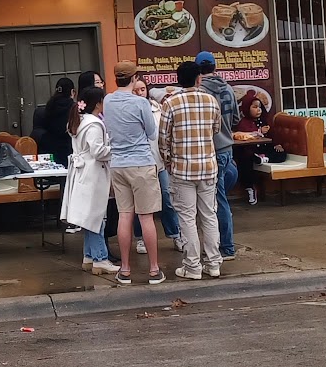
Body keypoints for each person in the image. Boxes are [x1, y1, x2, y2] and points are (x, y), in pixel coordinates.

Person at [158, 60, 223, 281]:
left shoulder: (170, 103)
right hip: (207, 167)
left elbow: (163, 138)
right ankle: (214, 263)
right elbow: (216, 129)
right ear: (199, 78)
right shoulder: (210, 100)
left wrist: (168, 161)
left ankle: (192, 266)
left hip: (182, 169)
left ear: (178, 79)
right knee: (209, 215)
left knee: (187, 218)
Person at [105, 65, 169, 284]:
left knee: (125, 215)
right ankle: (153, 269)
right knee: (146, 217)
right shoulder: (141, 103)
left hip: (118, 163)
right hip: (141, 163)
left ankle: (124, 269)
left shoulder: (107, 101)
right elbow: (152, 133)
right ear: (133, 78)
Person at [63, 85, 118, 274]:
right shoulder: (94, 124)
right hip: (93, 173)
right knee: (96, 216)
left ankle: (89, 255)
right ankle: (100, 258)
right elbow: (98, 151)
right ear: (98, 103)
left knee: (88, 216)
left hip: (81, 171)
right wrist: (115, 150)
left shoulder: (79, 120)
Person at [195, 51, 240, 260]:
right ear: (215, 66)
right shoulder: (229, 88)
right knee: (219, 197)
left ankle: (226, 247)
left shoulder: (201, 92)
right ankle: (224, 245)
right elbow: (236, 119)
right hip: (227, 149)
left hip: (209, 151)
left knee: (216, 200)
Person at [234, 94, 288, 172]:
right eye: (255, 107)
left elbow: (272, 134)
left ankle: (263, 158)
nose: (258, 109)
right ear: (247, 109)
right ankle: (259, 158)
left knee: (282, 154)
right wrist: (259, 131)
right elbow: (245, 134)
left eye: (259, 107)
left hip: (264, 149)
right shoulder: (244, 122)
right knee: (246, 158)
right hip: (251, 150)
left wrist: (277, 144)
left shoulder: (263, 120)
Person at [31, 77, 77, 165]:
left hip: (49, 148)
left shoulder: (50, 105)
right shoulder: (73, 107)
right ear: (72, 92)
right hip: (68, 149)